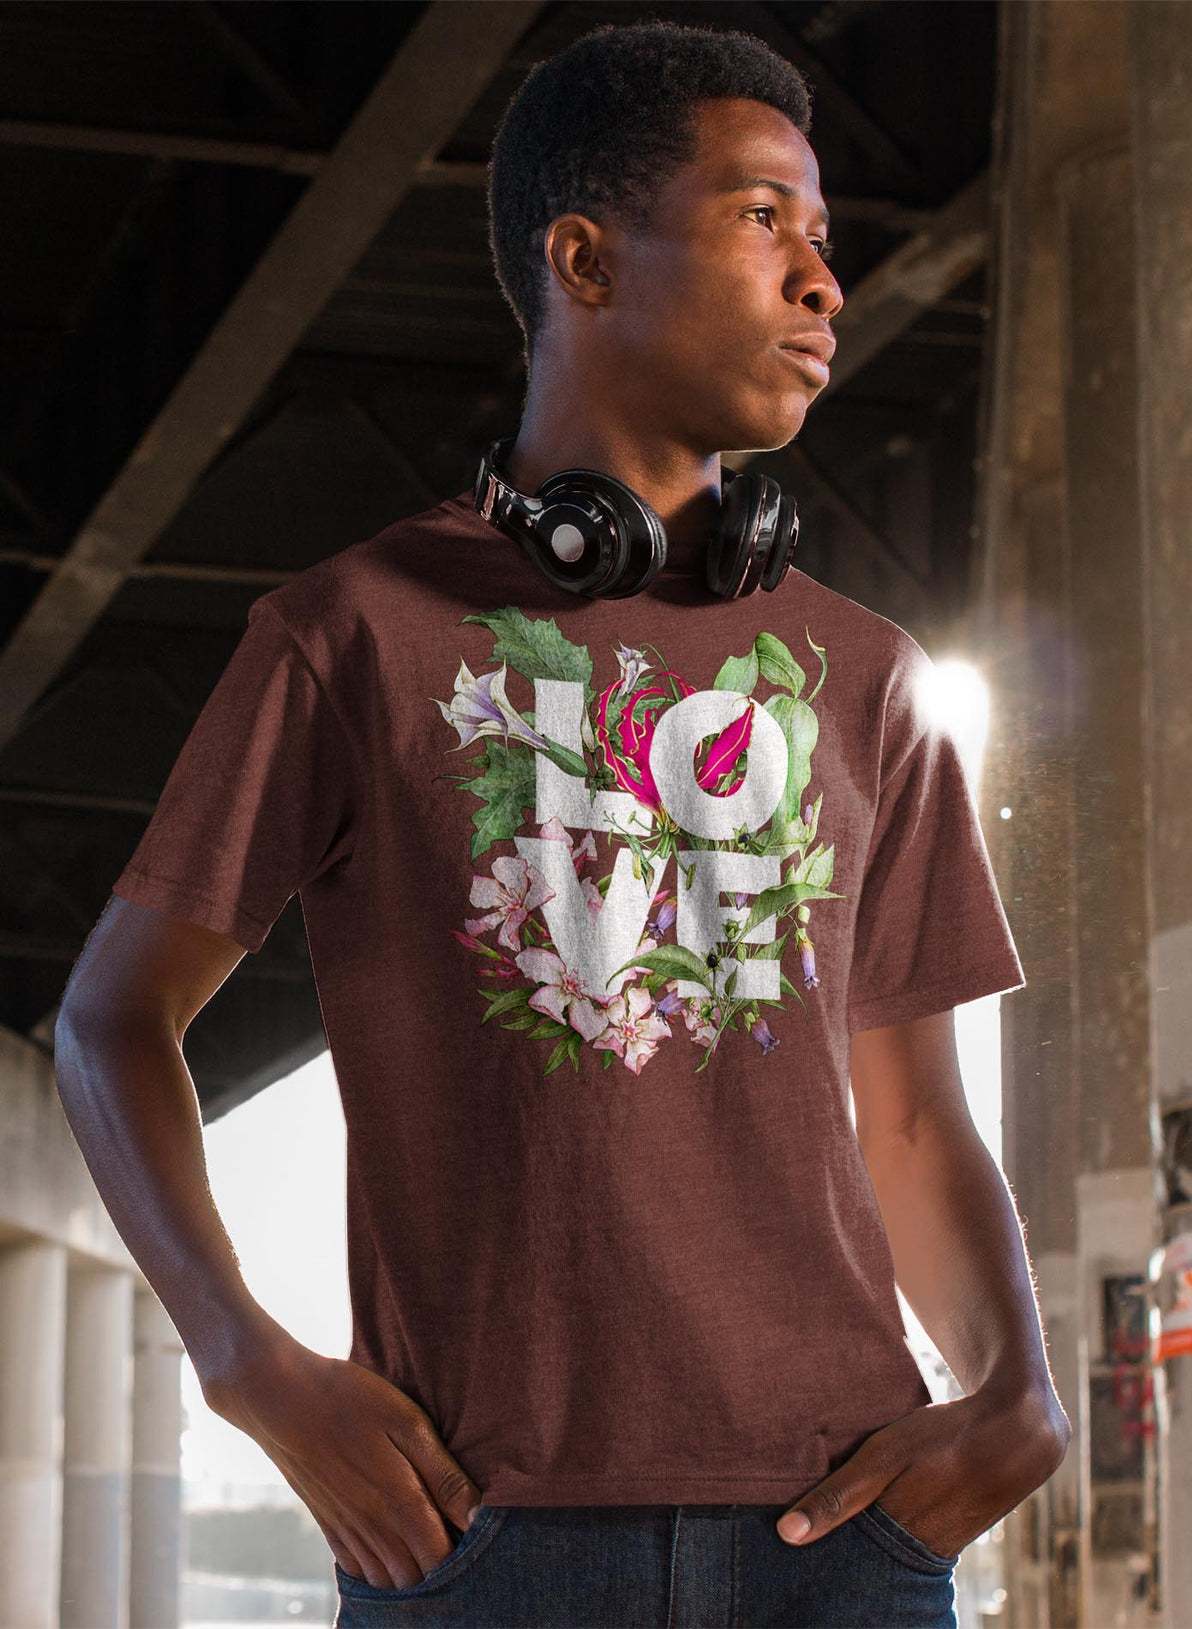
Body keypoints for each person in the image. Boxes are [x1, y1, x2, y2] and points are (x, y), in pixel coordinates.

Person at [55, 18, 1070, 1628]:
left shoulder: (869, 676)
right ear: (585, 259)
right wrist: (248, 1361)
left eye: (827, 237)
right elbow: (111, 1019)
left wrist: (1019, 1386)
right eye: (763, 218)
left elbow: (918, 1123)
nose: (824, 281)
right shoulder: (351, 634)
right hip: (477, 1536)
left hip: (839, 1538)